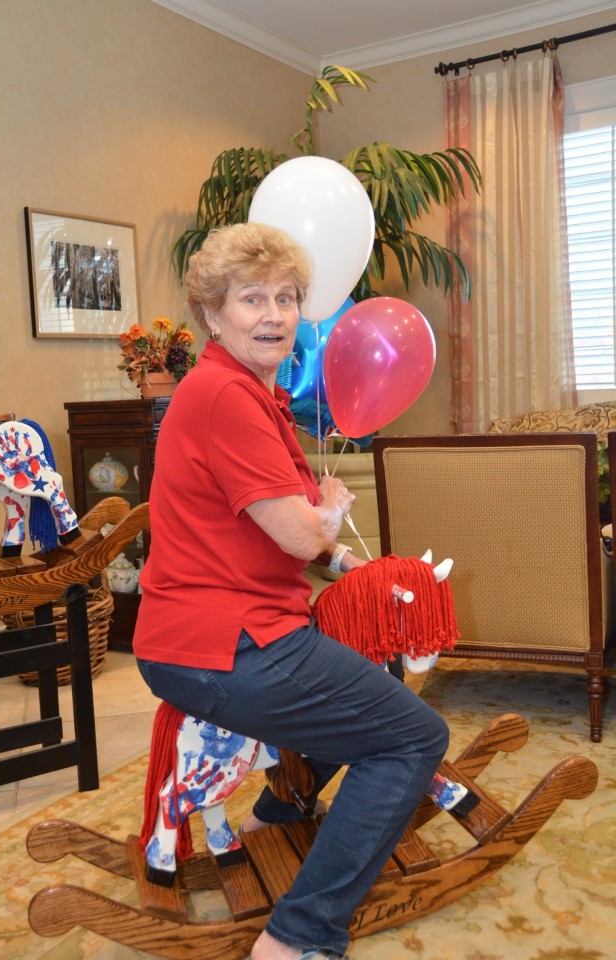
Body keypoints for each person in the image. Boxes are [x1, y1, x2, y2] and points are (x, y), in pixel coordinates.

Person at [133, 222, 449, 960]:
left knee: (361, 679)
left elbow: (279, 536)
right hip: (228, 646)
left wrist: (345, 562)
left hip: (220, 633)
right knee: (413, 737)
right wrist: (326, 524)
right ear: (213, 315)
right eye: (252, 299)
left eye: (286, 297)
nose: (274, 314)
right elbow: (297, 536)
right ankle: (297, 938)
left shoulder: (245, 392)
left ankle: (277, 817)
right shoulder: (226, 397)